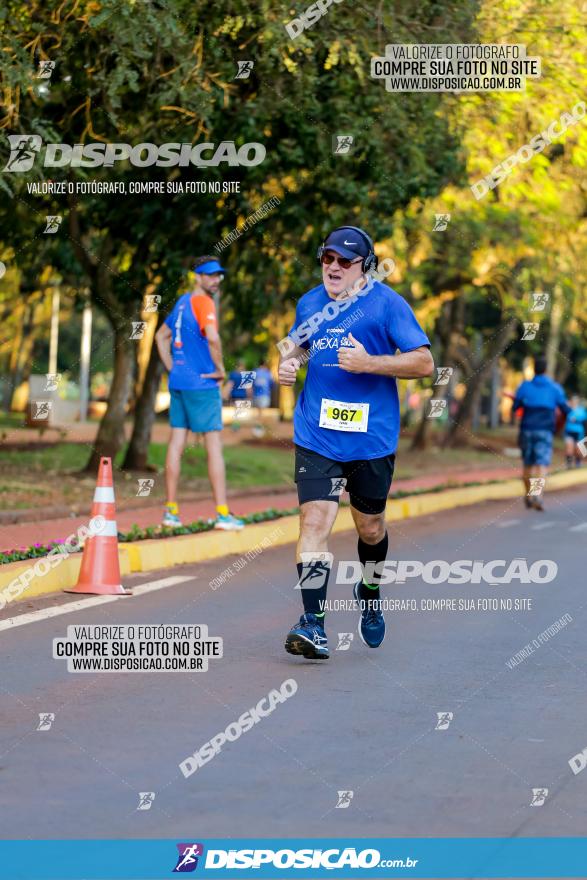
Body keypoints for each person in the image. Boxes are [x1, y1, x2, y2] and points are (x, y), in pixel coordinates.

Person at [278, 225, 434, 660]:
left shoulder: (388, 305)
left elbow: (425, 362)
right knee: (313, 525)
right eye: (327, 258)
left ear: (364, 268)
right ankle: (313, 623)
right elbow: (296, 345)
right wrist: (287, 364)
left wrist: (369, 363)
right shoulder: (310, 302)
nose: (333, 268)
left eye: (343, 262)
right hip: (317, 436)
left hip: (371, 441)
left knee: (370, 527)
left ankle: (369, 588)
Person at [155, 256, 244, 531]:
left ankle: (170, 513)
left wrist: (174, 369)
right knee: (214, 446)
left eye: (219, 275)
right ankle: (222, 514)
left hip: (180, 383)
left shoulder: (181, 302)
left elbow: (160, 337)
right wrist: (220, 369)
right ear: (198, 277)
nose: (216, 280)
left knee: (175, 444)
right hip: (203, 385)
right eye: (210, 275)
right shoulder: (203, 302)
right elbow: (213, 337)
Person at [512, 355, 570, 511]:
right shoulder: (555, 388)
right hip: (545, 431)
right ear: (546, 370)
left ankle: (529, 495)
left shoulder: (525, 386)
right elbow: (566, 410)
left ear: (534, 369)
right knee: (541, 465)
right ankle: (537, 495)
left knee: (527, 465)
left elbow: (515, 407)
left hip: (527, 429)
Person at [564, 396, 587, 468]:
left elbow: (584, 418)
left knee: (578, 449)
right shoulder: (568, 409)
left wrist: (576, 418)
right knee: (569, 448)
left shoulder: (581, 410)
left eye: (575, 400)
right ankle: (569, 464)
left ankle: (578, 463)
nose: (573, 402)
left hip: (578, 432)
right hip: (568, 431)